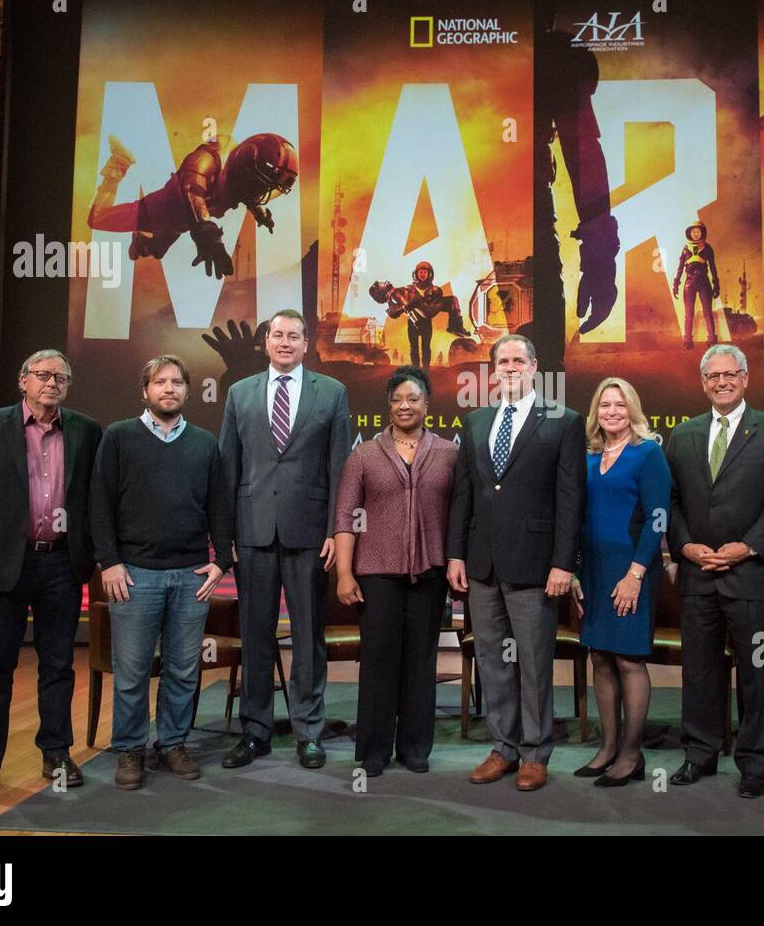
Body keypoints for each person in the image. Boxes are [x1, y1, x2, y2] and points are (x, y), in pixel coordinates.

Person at [0, 349, 102, 802]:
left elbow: (94, 502)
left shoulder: (86, 431)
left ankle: (56, 753)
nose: (51, 383)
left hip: (60, 562)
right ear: (23, 381)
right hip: (2, 565)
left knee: (58, 665)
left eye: (61, 377)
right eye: (42, 375)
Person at [447, 334, 586, 791]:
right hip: (482, 563)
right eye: (501, 362)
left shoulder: (563, 421)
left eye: (517, 361)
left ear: (533, 367)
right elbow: (463, 494)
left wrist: (564, 564)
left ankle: (535, 752)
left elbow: (570, 500)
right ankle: (503, 748)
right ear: (494, 369)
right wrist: (455, 554)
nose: (509, 368)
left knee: (533, 661)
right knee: (492, 659)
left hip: (536, 564)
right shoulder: (475, 421)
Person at [90, 356, 233, 790]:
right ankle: (130, 749)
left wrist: (221, 560)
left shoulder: (205, 443)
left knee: (183, 670)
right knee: (131, 671)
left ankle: (172, 743)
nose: (168, 388)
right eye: (159, 382)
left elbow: (219, 507)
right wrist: (109, 561)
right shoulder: (119, 437)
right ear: (145, 391)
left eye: (176, 382)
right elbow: (99, 504)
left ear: (187, 392)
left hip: (191, 575)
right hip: (134, 575)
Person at [665, 345, 764, 797]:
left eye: (730, 374)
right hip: (698, 573)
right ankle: (699, 754)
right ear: (703, 382)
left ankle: (755, 764)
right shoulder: (683, 435)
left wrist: (747, 547)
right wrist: (685, 545)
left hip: (753, 575)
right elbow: (673, 502)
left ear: (744, 378)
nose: (721, 382)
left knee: (757, 673)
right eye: (713, 376)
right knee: (699, 671)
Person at [218, 309, 351, 769]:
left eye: (294, 336)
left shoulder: (332, 392)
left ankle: (308, 732)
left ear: (307, 343)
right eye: (277, 335)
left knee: (308, 635)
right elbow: (227, 468)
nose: (285, 342)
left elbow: (341, 469)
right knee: (255, 635)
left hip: (310, 534)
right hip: (252, 532)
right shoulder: (239, 393)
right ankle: (255, 732)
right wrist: (224, 536)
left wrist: (338, 528)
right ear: (266, 341)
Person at [333, 366, 458, 776]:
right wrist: (345, 575)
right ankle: (373, 751)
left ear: (427, 404)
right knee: (379, 661)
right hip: (376, 573)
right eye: (398, 399)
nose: (405, 406)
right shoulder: (365, 454)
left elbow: (461, 514)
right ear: (389, 405)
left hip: (430, 574)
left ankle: (415, 747)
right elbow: (346, 518)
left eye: (413, 399)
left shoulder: (448, 453)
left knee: (421, 661)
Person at [571, 378, 670, 787]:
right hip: (593, 570)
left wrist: (634, 575)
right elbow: (577, 519)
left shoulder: (648, 454)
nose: (612, 411)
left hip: (631, 569)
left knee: (629, 659)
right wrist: (575, 573)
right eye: (605, 405)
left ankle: (631, 754)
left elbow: (658, 517)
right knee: (599, 657)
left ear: (633, 410)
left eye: (620, 405)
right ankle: (608, 748)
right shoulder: (589, 457)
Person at [88, 132, 298, 279]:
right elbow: (193, 196)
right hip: (163, 210)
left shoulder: (242, 175)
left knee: (153, 250)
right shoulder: (206, 160)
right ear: (245, 171)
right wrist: (209, 236)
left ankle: (144, 238)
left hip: (181, 222)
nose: (259, 194)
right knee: (97, 218)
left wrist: (261, 214)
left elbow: (248, 192)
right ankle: (118, 166)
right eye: (259, 186)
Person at [671, 222, 720, 349]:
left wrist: (716, 283)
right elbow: (680, 268)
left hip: (704, 282)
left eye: (698, 231)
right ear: (689, 233)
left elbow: (713, 268)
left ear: (702, 232)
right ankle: (687, 341)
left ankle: (712, 339)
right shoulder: (685, 248)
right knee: (689, 314)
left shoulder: (707, 248)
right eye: (693, 232)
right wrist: (676, 283)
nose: (696, 234)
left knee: (707, 312)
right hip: (689, 283)